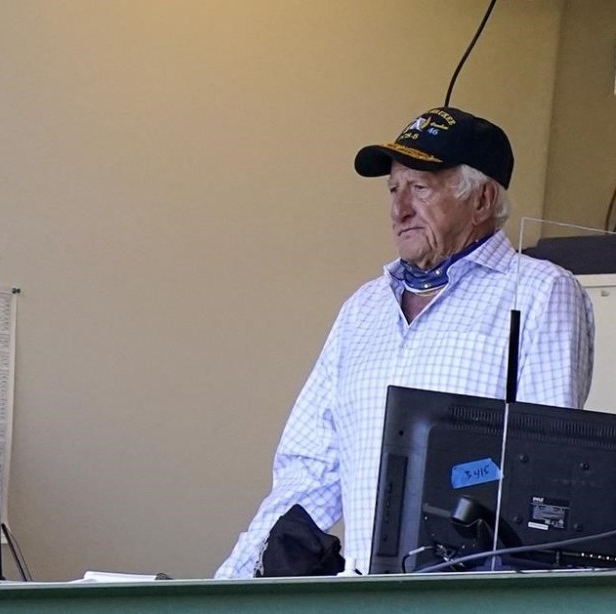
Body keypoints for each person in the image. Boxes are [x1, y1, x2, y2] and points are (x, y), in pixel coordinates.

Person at [215, 106, 594, 578]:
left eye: (420, 188)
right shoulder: (363, 308)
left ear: (481, 199)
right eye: (394, 189)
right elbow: (309, 471)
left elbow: (546, 466)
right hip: (365, 595)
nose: (399, 209)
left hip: (473, 596)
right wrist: (227, 585)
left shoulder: (540, 292)